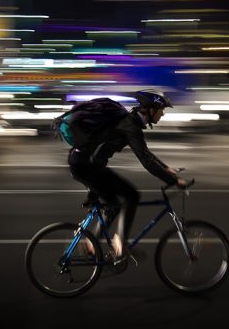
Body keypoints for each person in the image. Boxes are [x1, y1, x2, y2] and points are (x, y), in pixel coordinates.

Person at [68, 89, 187, 261]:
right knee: (132, 195)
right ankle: (119, 244)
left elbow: (145, 153)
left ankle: (91, 242)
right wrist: (173, 180)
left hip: (83, 163)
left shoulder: (129, 123)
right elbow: (146, 162)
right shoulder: (130, 126)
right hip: (87, 166)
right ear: (151, 109)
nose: (162, 115)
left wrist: (166, 168)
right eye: (161, 110)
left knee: (113, 204)